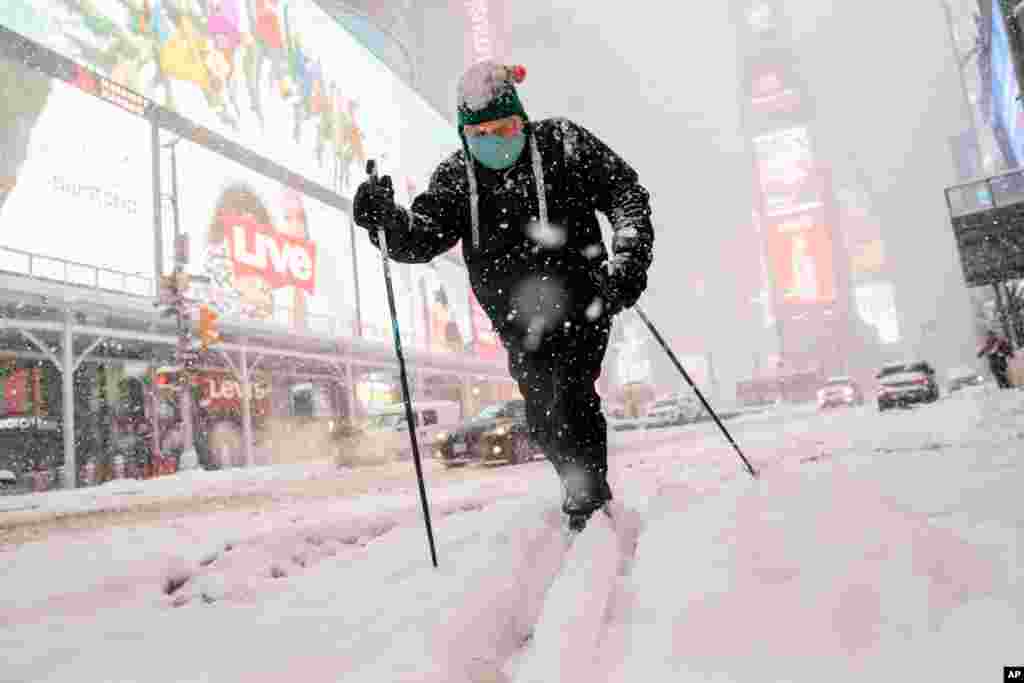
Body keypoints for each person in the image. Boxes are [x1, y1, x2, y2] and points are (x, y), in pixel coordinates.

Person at [353, 61, 654, 529]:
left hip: (584, 300)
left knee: (571, 393)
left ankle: (587, 497)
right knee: (543, 415)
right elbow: (422, 235)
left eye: (507, 127)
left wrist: (629, 259)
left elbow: (624, 193)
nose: (496, 141)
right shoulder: (458, 178)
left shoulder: (563, 144)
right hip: (516, 318)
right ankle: (575, 477)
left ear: (524, 121)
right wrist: (387, 221)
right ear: (464, 135)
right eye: (481, 134)